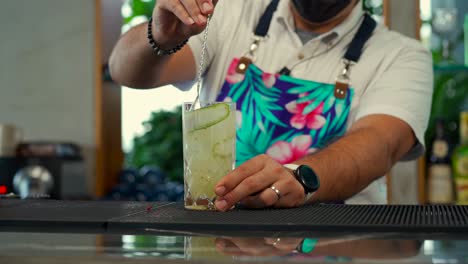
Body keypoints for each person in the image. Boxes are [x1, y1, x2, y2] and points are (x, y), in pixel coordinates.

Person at [109, 0, 433, 210]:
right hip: (220, 236)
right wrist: (159, 35)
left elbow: (379, 144)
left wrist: (297, 178)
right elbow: (125, 70)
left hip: (337, 245)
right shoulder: (231, 11)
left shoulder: (402, 56)